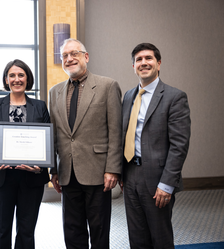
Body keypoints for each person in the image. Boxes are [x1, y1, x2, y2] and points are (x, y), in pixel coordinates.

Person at [49, 38, 122, 249]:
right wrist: (54, 170)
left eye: (74, 53)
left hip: (98, 172)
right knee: (72, 230)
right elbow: (54, 134)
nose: (69, 59)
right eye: (65, 55)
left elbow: (116, 131)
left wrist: (113, 169)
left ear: (86, 57)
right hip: (67, 174)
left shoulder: (108, 86)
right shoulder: (55, 92)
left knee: (99, 230)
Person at [121, 43, 191, 249]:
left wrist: (167, 184)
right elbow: (124, 135)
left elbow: (179, 145)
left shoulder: (175, 97)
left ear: (158, 64)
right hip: (130, 174)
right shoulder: (128, 97)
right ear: (133, 66)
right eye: (139, 60)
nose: (144, 63)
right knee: (136, 236)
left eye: (148, 58)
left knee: (159, 237)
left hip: (157, 179)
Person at [0, 59, 50, 249]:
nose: (16, 79)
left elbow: (47, 142)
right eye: (12, 75)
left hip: (32, 177)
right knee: (1, 230)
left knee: (27, 231)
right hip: (0, 177)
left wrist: (41, 164)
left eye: (21, 75)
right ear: (6, 79)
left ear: (28, 79)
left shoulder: (40, 106)